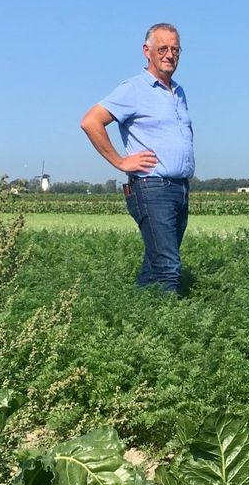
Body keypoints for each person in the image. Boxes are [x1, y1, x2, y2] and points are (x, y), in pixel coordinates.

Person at [81, 23, 194, 293]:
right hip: (151, 187)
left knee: (155, 266)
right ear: (147, 51)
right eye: (163, 49)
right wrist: (120, 162)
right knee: (168, 268)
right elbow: (90, 121)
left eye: (175, 50)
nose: (169, 55)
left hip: (179, 189)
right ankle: (171, 329)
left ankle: (138, 314)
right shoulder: (133, 89)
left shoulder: (178, 92)